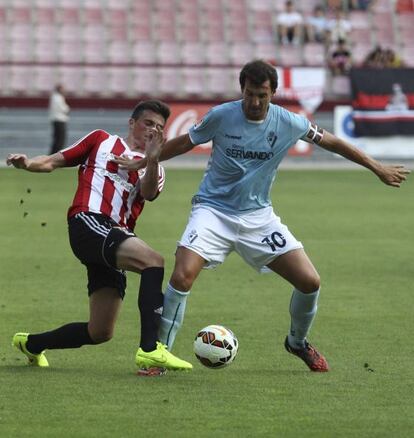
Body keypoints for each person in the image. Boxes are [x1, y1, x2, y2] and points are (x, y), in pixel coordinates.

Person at [112, 60, 409, 373]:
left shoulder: (289, 122)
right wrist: (148, 160)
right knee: (182, 275)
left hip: (258, 218)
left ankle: (297, 342)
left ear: (274, 93)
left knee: (310, 282)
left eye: (262, 96)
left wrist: (377, 167)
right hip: (212, 211)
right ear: (242, 90)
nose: (255, 102)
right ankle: (159, 354)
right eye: (250, 94)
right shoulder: (222, 116)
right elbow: (187, 142)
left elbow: (333, 141)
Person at [7, 100, 192, 376]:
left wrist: (152, 158)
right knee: (153, 261)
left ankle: (31, 344)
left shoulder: (155, 167)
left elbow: (149, 192)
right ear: (132, 123)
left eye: (159, 127)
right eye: (148, 123)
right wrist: (28, 163)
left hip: (114, 235)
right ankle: (151, 350)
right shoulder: (101, 140)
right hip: (88, 221)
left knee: (100, 331)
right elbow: (54, 161)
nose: (152, 130)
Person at [49, 84, 70, 154]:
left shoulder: (55, 97)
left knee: (58, 139)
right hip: (59, 120)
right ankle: (55, 154)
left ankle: (53, 154)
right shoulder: (58, 97)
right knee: (60, 140)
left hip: (57, 120)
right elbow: (64, 109)